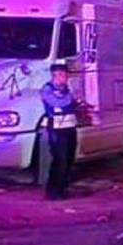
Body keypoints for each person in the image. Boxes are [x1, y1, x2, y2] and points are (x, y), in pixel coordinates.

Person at [40, 62, 80, 200]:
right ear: (54, 75)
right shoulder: (47, 89)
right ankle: (53, 192)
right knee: (59, 160)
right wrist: (72, 98)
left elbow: (74, 102)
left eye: (65, 75)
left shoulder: (67, 88)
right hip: (56, 129)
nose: (64, 78)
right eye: (61, 75)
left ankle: (62, 190)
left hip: (70, 127)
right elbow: (60, 103)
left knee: (69, 160)